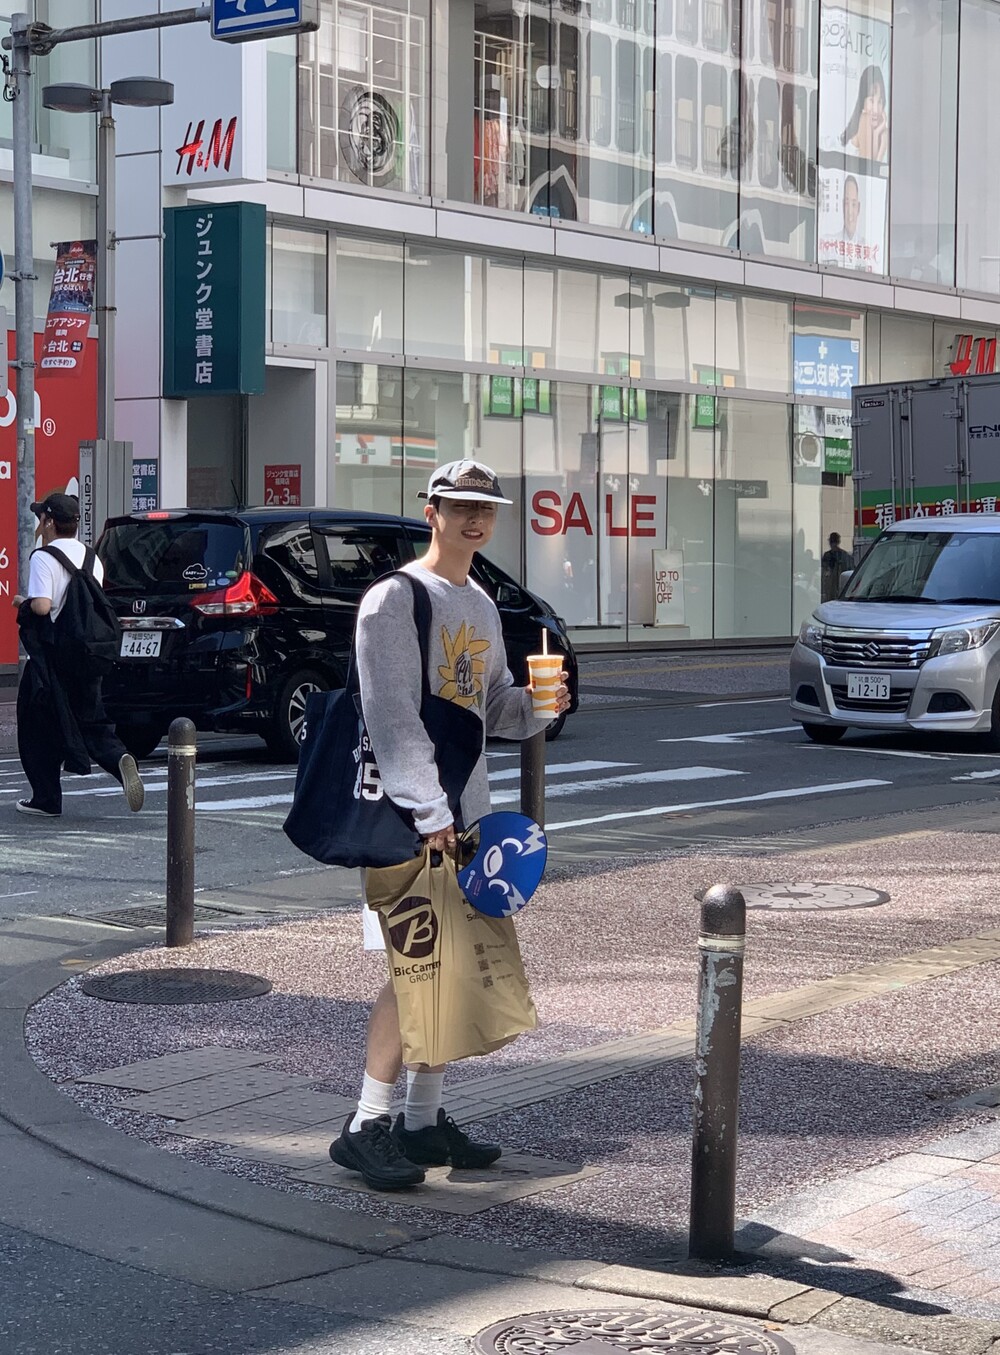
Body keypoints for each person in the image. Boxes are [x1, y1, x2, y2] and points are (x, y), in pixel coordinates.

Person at [328, 459, 570, 1191]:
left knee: (447, 969)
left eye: (485, 509)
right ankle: (366, 1124)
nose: (475, 518)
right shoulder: (393, 600)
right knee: (413, 966)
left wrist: (538, 706)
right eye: (460, 506)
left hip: (463, 816)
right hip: (409, 819)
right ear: (430, 511)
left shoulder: (483, 604)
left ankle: (423, 1118)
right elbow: (392, 716)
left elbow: (490, 706)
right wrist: (431, 812)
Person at [12, 492, 144, 818]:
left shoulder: (44, 557)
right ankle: (119, 758)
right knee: (91, 721)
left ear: (49, 522)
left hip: (53, 658)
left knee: (35, 723)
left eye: (41, 518)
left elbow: (43, 606)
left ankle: (46, 799)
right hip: (88, 655)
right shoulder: (91, 557)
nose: (39, 524)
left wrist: (21, 603)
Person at [841, 65, 887, 163]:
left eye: (879, 102)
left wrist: (878, 134)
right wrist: (877, 134)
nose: (876, 110)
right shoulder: (865, 120)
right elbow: (868, 167)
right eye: (871, 101)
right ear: (863, 101)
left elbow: (876, 166)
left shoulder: (880, 130)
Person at [821, 531, 853, 601]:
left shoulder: (843, 555)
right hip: (832, 585)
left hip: (838, 584)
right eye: (832, 542)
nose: (833, 545)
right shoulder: (828, 555)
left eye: (834, 542)